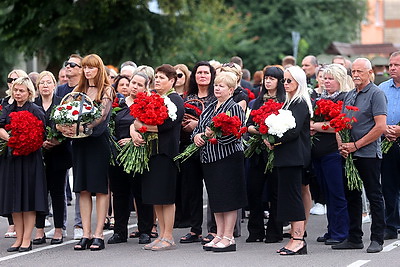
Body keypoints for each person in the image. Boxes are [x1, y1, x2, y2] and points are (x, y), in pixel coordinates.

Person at [56, 53, 114, 251]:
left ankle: (99, 234)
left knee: (100, 188)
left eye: (91, 67)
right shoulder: (78, 89)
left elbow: (102, 115)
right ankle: (86, 233)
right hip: (80, 143)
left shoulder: (107, 89)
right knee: (83, 188)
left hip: (98, 142)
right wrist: (64, 126)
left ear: (99, 69)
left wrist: (82, 127)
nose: (88, 71)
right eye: (85, 67)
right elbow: (65, 111)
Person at [334, 58, 387, 253]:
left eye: (359, 71)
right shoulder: (349, 95)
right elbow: (340, 123)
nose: (355, 75)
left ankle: (377, 239)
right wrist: (342, 145)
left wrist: (356, 145)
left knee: (374, 195)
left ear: (369, 72)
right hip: (349, 153)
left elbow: (380, 126)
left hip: (368, 154)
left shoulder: (376, 94)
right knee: (352, 195)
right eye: (353, 71)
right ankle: (354, 237)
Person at [131, 64, 184, 251]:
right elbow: (136, 120)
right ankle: (161, 234)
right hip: (152, 151)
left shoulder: (175, 100)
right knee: (156, 196)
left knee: (166, 197)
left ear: (172, 81)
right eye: (157, 77)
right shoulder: (154, 97)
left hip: (166, 153)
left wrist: (142, 126)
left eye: (162, 78)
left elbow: (168, 126)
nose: (158, 81)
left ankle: (169, 236)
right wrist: (135, 128)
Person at [192, 71, 247, 252]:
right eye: (216, 85)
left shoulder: (235, 108)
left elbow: (235, 135)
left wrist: (214, 135)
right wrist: (197, 136)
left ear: (231, 90)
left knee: (228, 198)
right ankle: (218, 234)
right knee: (215, 198)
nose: (217, 88)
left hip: (228, 157)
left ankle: (229, 236)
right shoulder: (209, 106)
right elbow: (198, 128)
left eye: (221, 86)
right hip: (209, 158)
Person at [266, 66, 313, 255]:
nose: (285, 84)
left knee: (293, 198)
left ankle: (298, 239)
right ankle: (294, 238)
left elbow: (293, 131)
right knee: (287, 197)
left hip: (295, 157)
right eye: (284, 80)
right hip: (286, 156)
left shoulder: (300, 102)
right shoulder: (289, 102)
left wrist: (274, 139)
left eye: (289, 81)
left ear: (298, 82)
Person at [0, 77, 47, 252]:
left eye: (21, 90)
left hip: (29, 160)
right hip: (11, 159)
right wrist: (11, 139)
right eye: (16, 90)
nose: (18, 93)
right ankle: (18, 239)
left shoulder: (35, 110)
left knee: (28, 199)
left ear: (29, 92)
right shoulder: (7, 109)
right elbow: (1, 126)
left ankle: (27, 239)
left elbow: (42, 135)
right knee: (15, 200)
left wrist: (26, 141)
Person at [108, 72, 155, 245]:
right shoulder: (119, 104)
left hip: (137, 151)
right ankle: (119, 231)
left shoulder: (147, 104)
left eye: (139, 84)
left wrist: (132, 137)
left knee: (140, 193)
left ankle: (145, 231)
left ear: (146, 87)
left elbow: (150, 127)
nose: (134, 86)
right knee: (119, 193)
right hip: (118, 154)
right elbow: (110, 124)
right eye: (132, 83)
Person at [310, 64, 352, 245]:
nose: (326, 81)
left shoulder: (344, 98)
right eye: (324, 78)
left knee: (337, 193)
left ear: (340, 80)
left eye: (330, 78)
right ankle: (331, 229)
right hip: (319, 152)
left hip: (333, 152)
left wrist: (316, 126)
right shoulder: (320, 98)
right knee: (326, 193)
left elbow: (339, 125)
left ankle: (340, 232)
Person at [177, 61, 216, 244]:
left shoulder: (216, 97)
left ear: (211, 76)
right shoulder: (186, 97)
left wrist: (197, 125)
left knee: (213, 190)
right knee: (192, 190)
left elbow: (218, 121)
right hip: (189, 148)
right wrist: (187, 127)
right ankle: (195, 229)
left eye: (206, 73)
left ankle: (214, 230)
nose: (202, 76)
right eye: (199, 72)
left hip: (211, 148)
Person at [246, 66, 285, 243]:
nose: (268, 81)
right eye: (266, 78)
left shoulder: (285, 101)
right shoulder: (258, 101)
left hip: (276, 151)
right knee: (254, 190)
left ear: (279, 81)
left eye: (272, 78)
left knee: (277, 192)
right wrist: (262, 131)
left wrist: (272, 133)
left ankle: (274, 231)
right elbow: (248, 125)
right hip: (258, 150)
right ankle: (255, 231)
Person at [33, 71, 72, 245]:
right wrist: (40, 143)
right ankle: (39, 229)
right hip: (38, 155)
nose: (45, 85)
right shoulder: (33, 105)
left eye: (49, 82)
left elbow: (70, 130)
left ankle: (58, 229)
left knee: (57, 192)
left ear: (54, 85)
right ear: (37, 86)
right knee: (40, 193)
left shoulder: (62, 104)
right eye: (42, 83)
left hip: (59, 154)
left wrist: (57, 141)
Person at [54, 53, 84, 241]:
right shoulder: (60, 90)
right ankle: (59, 225)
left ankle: (79, 224)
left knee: (80, 186)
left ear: (82, 70)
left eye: (74, 65)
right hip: (62, 141)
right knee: (59, 185)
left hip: (82, 140)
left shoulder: (85, 89)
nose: (69, 67)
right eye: (67, 64)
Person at [1, 69, 29, 239]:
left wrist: (23, 140)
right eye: (11, 80)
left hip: (27, 154)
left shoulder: (33, 107)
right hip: (8, 152)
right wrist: (12, 139)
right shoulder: (5, 104)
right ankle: (15, 228)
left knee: (26, 193)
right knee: (11, 191)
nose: (14, 83)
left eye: (17, 81)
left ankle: (28, 235)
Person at [378, 51, 400, 240]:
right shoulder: (383, 88)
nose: (392, 68)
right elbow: (374, 113)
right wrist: (384, 129)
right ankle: (391, 225)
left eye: (396, 65)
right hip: (387, 141)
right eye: (390, 65)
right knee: (389, 186)